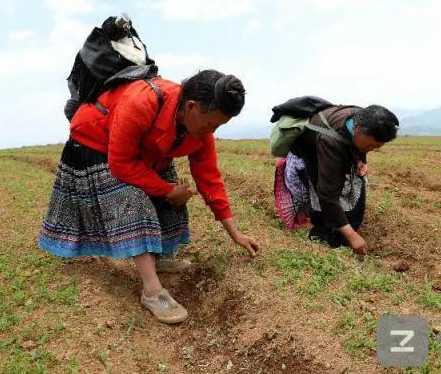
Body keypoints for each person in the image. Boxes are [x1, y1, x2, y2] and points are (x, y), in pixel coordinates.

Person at [39, 69, 260, 324]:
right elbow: (121, 163)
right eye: (212, 124)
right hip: (97, 144)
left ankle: (162, 257)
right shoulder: (141, 101)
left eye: (219, 126)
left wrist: (235, 233)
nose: (213, 131)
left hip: (143, 149)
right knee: (133, 200)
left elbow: (209, 177)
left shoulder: (200, 131)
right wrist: (166, 190)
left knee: (175, 189)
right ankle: (152, 290)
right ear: (191, 107)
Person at [289, 104, 399, 255]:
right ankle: (323, 243)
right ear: (356, 128)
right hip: (312, 153)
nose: (372, 149)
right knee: (323, 198)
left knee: (354, 196)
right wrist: (352, 236)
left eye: (377, 147)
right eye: (370, 145)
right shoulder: (331, 141)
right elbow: (327, 196)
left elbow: (360, 146)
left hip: (336, 146)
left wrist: (360, 158)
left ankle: (342, 236)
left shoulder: (362, 118)